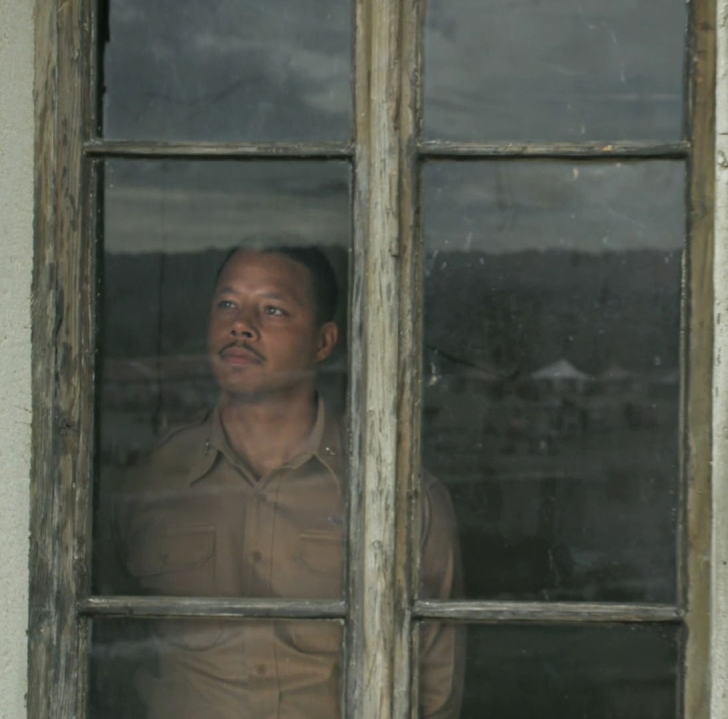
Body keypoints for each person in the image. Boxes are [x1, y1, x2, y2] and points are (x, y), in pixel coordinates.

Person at [96, 243, 463, 719]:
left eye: (272, 309)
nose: (241, 325)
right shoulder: (147, 484)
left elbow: (432, 692)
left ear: (323, 342)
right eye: (227, 304)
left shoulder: (398, 497)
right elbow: (100, 657)